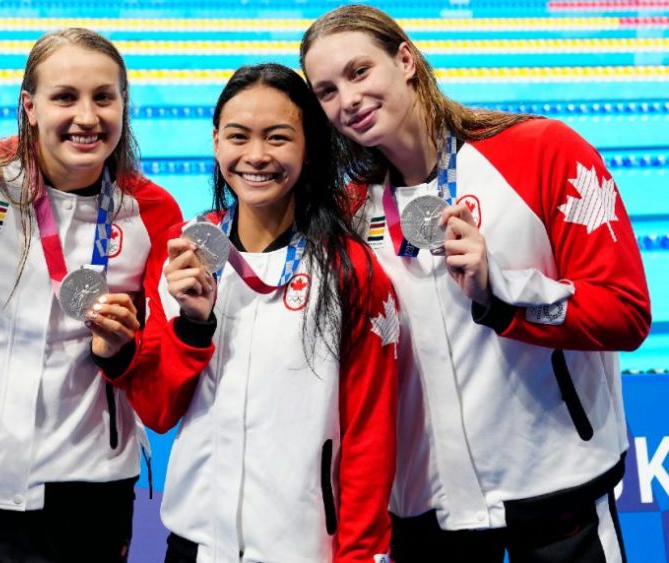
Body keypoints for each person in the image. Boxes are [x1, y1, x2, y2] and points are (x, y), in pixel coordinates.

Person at [300, 5, 652, 562]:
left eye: (359, 71)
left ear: (406, 59)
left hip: (557, 488)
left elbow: (626, 312)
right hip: (426, 507)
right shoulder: (345, 212)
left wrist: (504, 291)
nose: (347, 99)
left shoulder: (542, 151)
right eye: (325, 90)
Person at [105, 63, 398, 563]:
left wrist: (362, 555)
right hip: (195, 544)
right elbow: (157, 411)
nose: (256, 156)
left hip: (304, 548)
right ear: (217, 141)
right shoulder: (187, 252)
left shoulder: (351, 270)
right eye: (238, 136)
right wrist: (192, 326)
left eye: (278, 137)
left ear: (310, 145)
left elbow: (370, 435)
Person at [0, 28, 183, 562]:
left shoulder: (151, 210)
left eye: (103, 97)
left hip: (94, 482)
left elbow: (164, 371)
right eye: (65, 97)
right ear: (29, 106)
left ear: (124, 104)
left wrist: (123, 349)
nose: (87, 117)